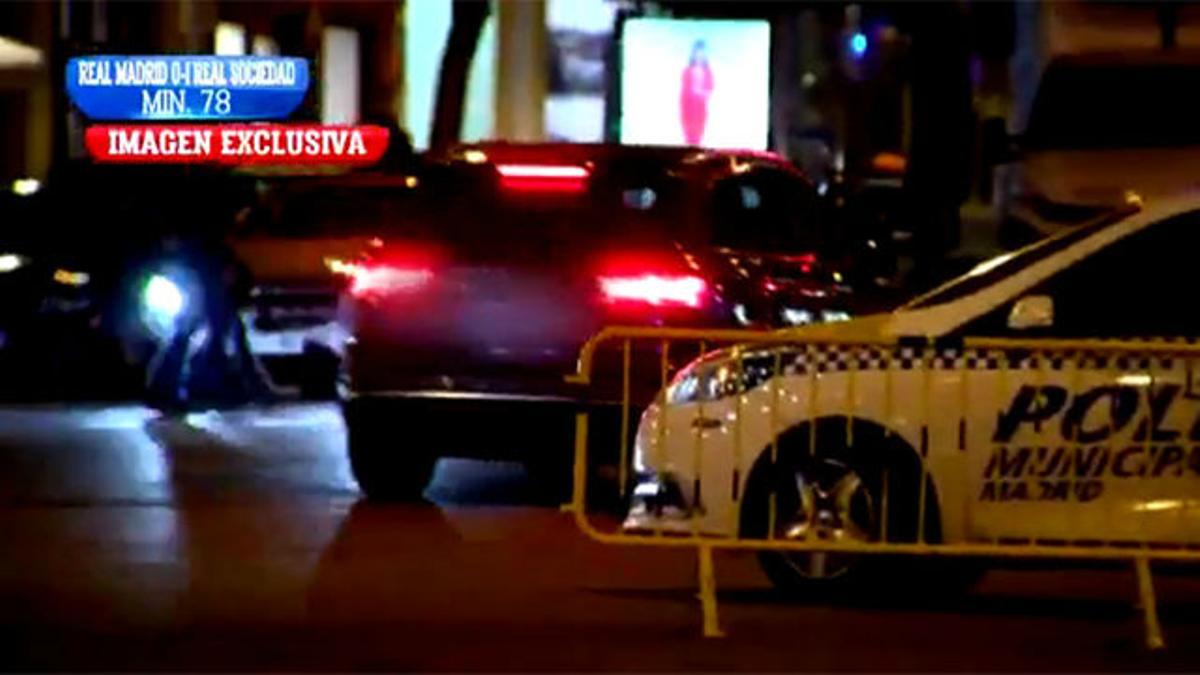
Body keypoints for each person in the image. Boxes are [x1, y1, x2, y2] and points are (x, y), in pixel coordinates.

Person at [680, 40, 714, 146]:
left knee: (698, 132)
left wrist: (703, 93)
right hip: (688, 106)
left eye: (702, 54)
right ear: (693, 54)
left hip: (701, 107)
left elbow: (710, 88)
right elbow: (685, 88)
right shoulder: (688, 70)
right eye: (697, 54)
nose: (699, 57)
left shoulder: (708, 72)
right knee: (689, 133)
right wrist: (692, 92)